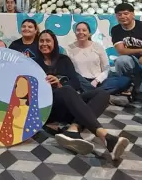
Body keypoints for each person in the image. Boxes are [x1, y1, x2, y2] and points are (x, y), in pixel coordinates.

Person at [36, 30, 130, 160]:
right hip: (49, 107)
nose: (44, 44)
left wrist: (59, 83)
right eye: (41, 41)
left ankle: (74, 129)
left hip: (68, 104)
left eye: (48, 41)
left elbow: (75, 83)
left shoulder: (64, 60)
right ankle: (105, 136)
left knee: (102, 94)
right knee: (67, 90)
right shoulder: (33, 63)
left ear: (54, 43)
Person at [68, 22, 131, 95]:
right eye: (78, 30)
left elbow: (106, 69)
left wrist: (97, 80)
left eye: (84, 30)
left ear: (89, 33)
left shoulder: (98, 47)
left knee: (125, 80)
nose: (81, 32)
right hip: (79, 81)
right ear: (75, 33)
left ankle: (88, 93)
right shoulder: (69, 48)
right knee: (74, 76)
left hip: (97, 81)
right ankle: (97, 94)